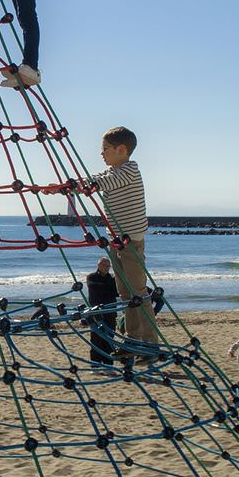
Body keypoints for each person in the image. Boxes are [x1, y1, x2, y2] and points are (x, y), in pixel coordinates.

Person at [48, 127, 153, 345]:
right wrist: (63, 188)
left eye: (105, 149)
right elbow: (96, 178)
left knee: (137, 293)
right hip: (117, 240)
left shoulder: (129, 170)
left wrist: (69, 188)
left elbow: (100, 183)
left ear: (122, 149)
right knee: (125, 292)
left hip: (130, 240)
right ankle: (133, 339)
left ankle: (148, 341)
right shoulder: (114, 171)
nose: (101, 153)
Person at [84, 256, 119, 365]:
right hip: (96, 313)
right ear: (99, 265)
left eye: (108, 266)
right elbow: (95, 288)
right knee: (96, 340)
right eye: (104, 265)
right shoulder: (91, 277)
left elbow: (116, 292)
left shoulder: (112, 279)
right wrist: (108, 290)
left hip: (110, 313)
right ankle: (95, 365)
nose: (106, 268)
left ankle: (108, 364)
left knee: (109, 339)